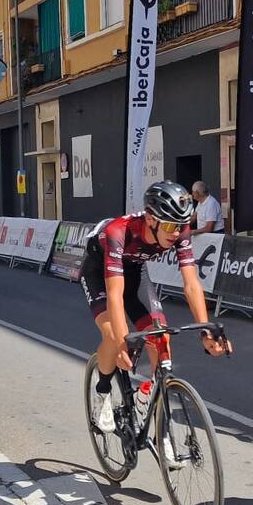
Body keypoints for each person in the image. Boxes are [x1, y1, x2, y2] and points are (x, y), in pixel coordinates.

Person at [82, 180, 230, 442]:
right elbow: (115, 296)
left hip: (135, 271)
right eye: (171, 226)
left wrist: (205, 329)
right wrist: (121, 342)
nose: (177, 233)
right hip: (100, 273)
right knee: (112, 336)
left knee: (160, 336)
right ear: (151, 218)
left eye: (181, 225)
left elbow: (191, 283)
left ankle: (152, 405)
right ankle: (102, 392)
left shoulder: (179, 229)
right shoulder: (119, 232)